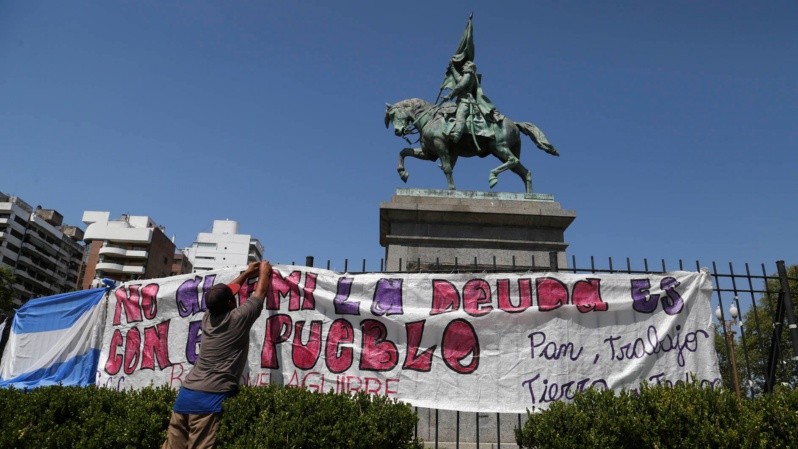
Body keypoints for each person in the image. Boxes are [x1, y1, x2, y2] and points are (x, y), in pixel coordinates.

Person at [162, 260, 272, 449]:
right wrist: (264, 270)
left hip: (185, 397)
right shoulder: (237, 319)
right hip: (209, 400)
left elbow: (224, 293)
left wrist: (246, 273)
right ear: (231, 302)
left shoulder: (207, 318)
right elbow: (260, 293)